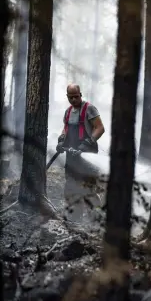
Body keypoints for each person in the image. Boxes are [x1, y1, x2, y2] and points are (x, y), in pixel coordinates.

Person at [56, 84, 105, 223]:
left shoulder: (89, 108)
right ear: (67, 97)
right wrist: (61, 141)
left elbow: (100, 128)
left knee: (89, 187)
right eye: (70, 97)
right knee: (71, 186)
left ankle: (96, 220)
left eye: (76, 96)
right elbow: (65, 129)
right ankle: (74, 219)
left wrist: (88, 142)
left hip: (87, 155)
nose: (73, 100)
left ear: (80, 94)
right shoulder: (68, 112)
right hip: (72, 156)